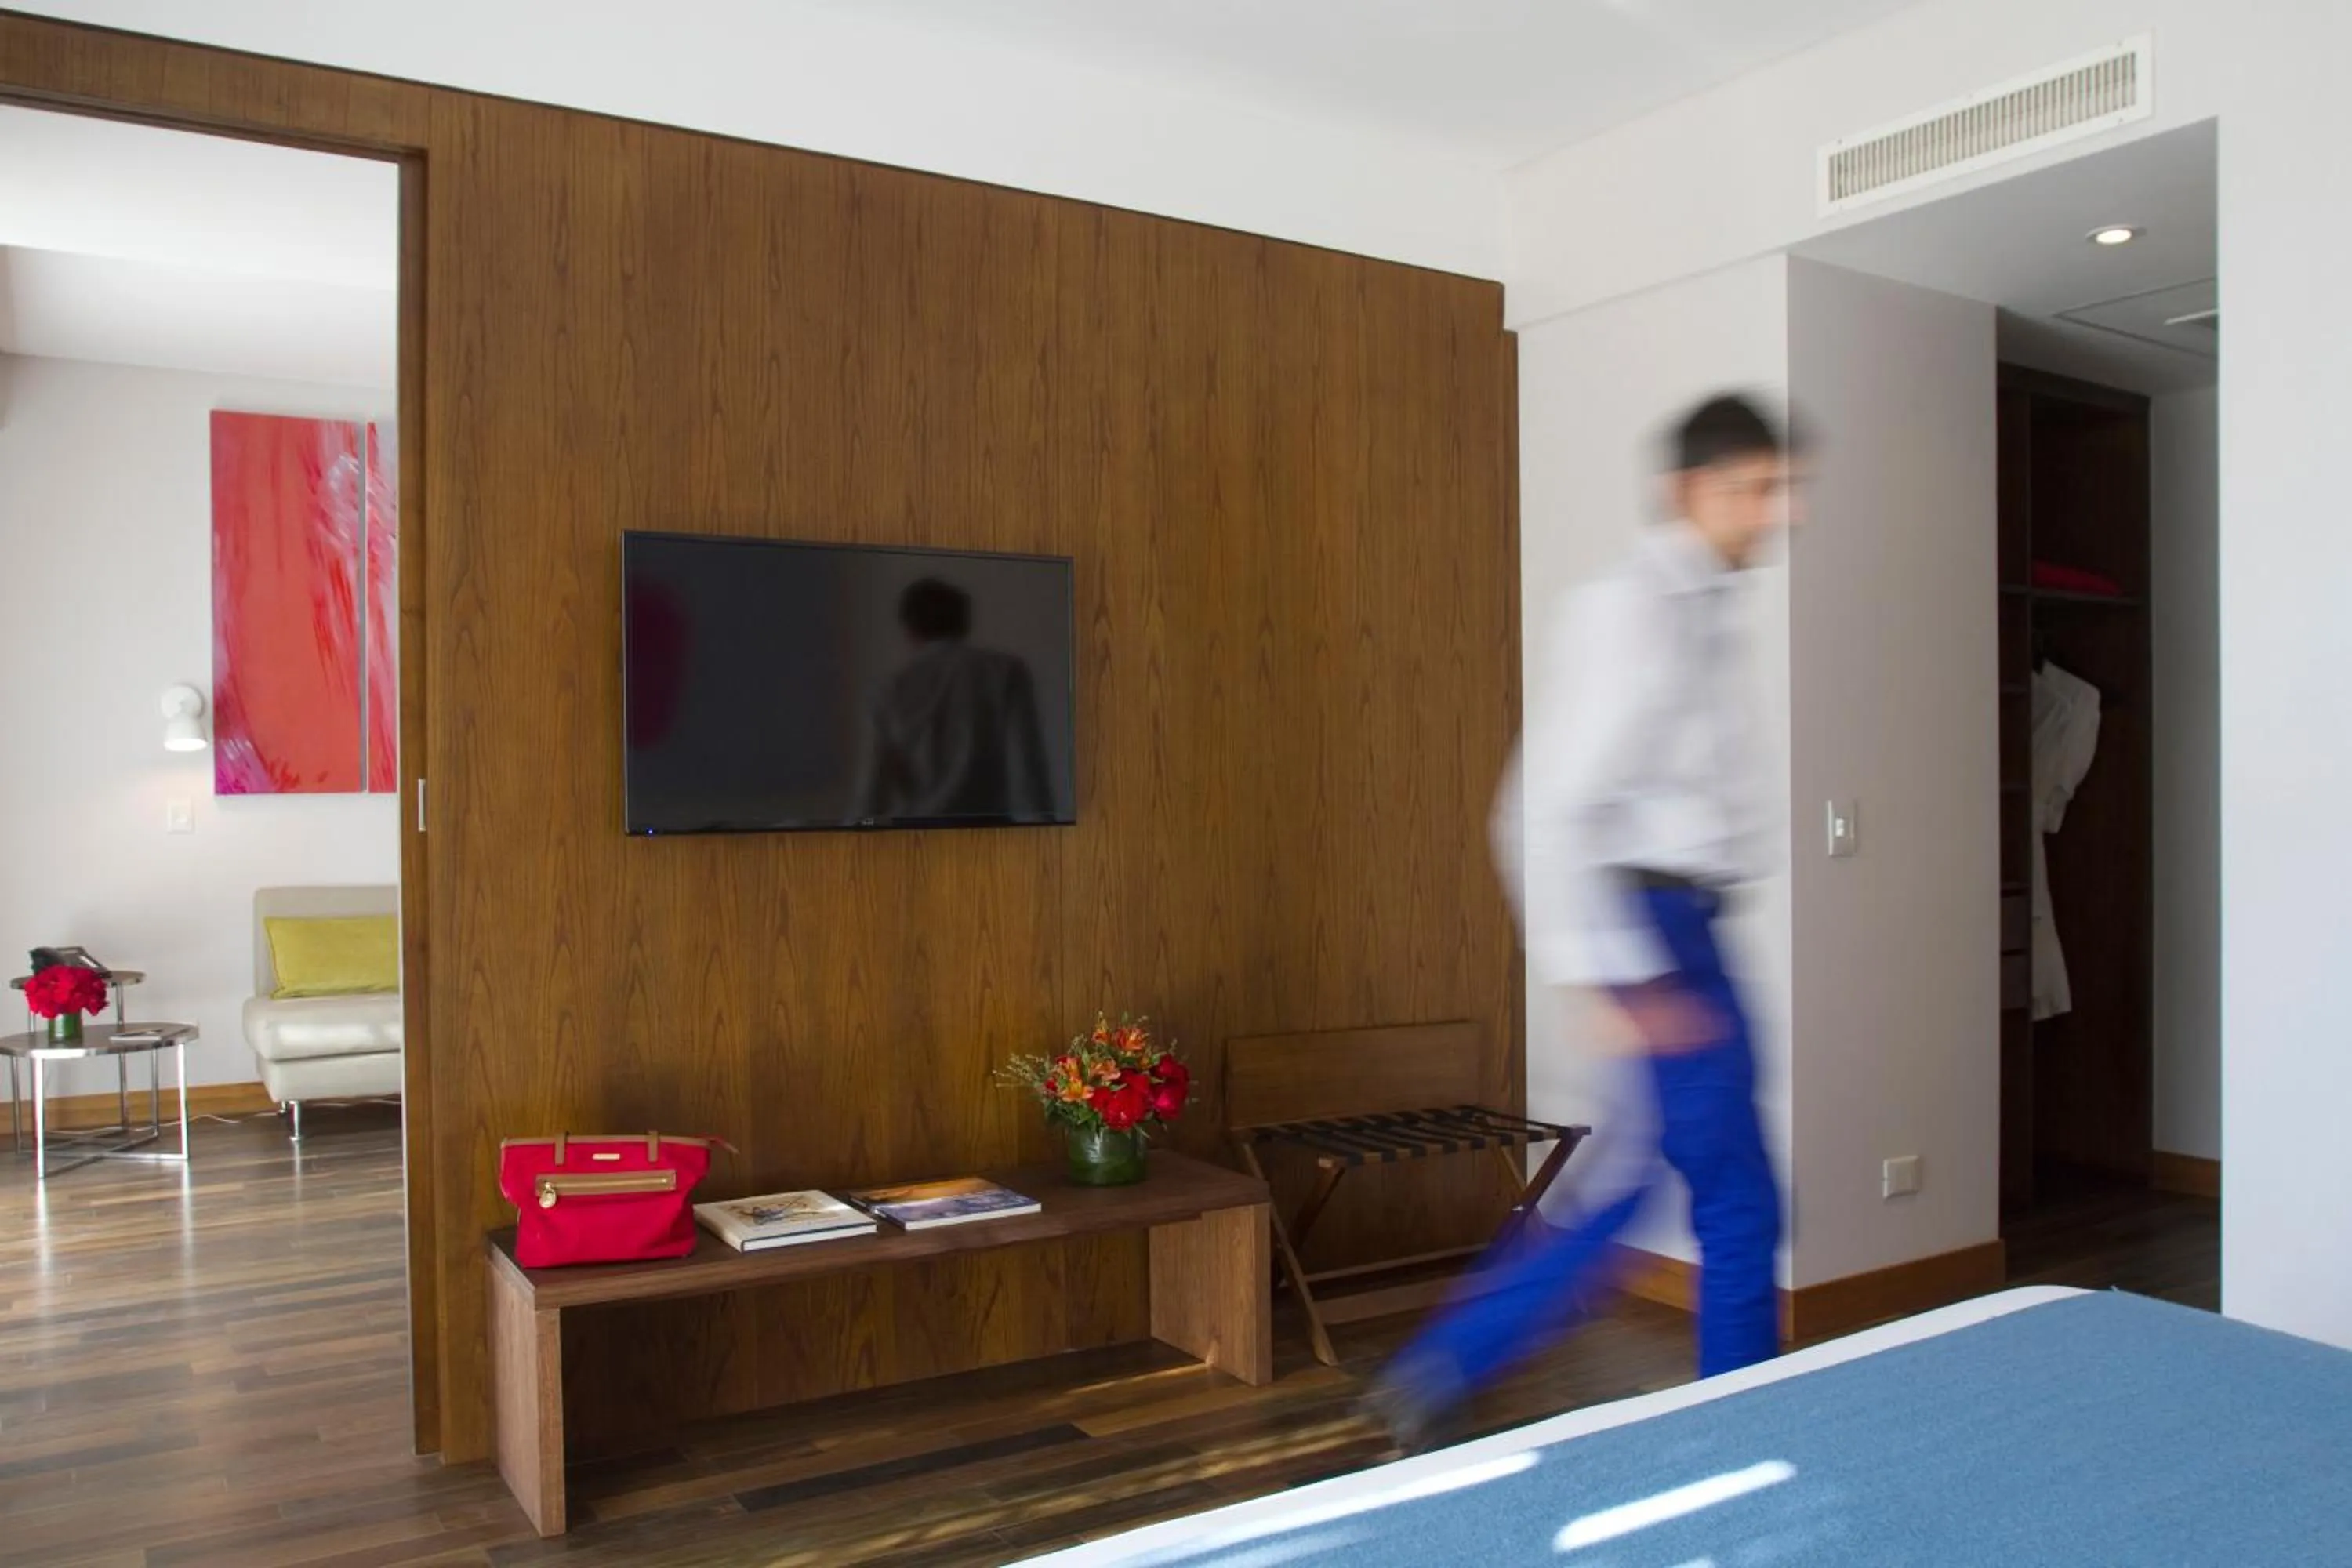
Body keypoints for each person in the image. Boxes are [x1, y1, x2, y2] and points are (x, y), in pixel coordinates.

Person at [1364, 392, 1804, 1453]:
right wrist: (1600, 981)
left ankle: (1450, 1365)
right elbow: (1539, 808)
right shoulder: (1635, 613)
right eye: (1756, 489)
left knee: (1688, 1185)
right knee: (1722, 1198)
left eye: (1781, 489)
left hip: (1688, 922)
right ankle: (1728, 1421)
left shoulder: (1702, 610)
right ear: (1690, 490)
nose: (1775, 512)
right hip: (1653, 929)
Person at [851, 577, 1058, 824]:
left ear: (908, 629)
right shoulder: (1006, 672)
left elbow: (871, 793)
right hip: (991, 836)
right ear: (964, 625)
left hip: (916, 835)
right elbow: (1027, 775)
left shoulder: (888, 689)